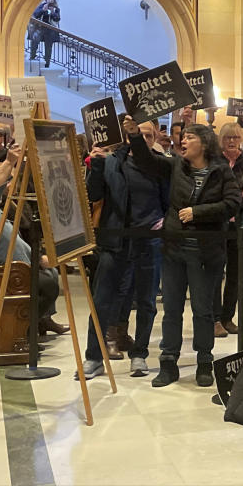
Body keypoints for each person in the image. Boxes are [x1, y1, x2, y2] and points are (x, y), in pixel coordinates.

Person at [123, 115, 240, 388]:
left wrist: (198, 213)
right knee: (172, 309)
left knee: (202, 310)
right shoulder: (177, 166)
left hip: (205, 252)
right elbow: (147, 162)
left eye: (190, 137)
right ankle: (169, 362)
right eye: (182, 136)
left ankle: (204, 361)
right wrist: (134, 136)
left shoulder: (221, 171)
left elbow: (233, 204)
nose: (183, 140)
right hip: (174, 249)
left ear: (204, 143)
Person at [79, 120, 168, 379]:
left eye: (149, 135)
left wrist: (164, 220)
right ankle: (94, 356)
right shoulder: (110, 162)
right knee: (102, 300)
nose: (143, 138)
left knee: (147, 301)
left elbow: (170, 199)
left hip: (148, 239)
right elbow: (94, 194)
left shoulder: (160, 166)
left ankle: (139, 354)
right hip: (114, 240)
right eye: (139, 133)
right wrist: (95, 164)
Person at [0, 145, 64, 331]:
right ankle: (20, 329)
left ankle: (38, 322)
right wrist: (9, 161)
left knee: (50, 275)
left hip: (13, 266)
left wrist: (38, 259)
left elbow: (20, 236)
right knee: (46, 284)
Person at [214, 121, 243, 338]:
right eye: (228, 137)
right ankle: (215, 318)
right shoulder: (215, 160)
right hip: (218, 223)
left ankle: (228, 317)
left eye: (235, 137)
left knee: (236, 275)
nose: (231, 141)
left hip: (239, 222)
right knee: (215, 272)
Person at [28, 0, 61, 67]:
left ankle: (47, 62)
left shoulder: (56, 9)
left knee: (48, 46)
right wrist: (43, 10)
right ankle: (32, 56)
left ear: (54, 0)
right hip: (39, 28)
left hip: (50, 30)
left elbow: (57, 18)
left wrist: (52, 12)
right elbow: (36, 15)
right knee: (34, 41)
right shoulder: (41, 6)